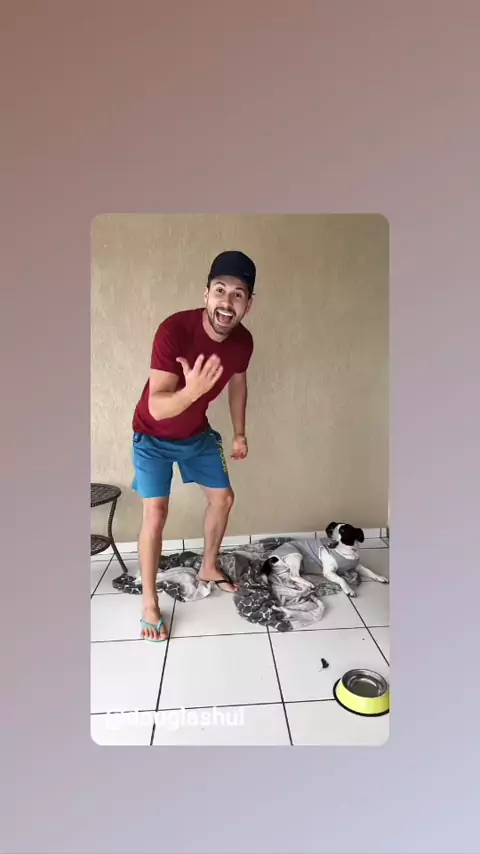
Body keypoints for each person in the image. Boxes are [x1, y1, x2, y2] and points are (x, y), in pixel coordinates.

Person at [131, 250, 256, 641]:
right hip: (151, 435)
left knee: (224, 498)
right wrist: (193, 391)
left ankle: (209, 566)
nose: (227, 302)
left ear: (248, 305)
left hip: (196, 435)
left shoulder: (243, 342)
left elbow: (238, 382)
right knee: (156, 514)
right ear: (206, 294)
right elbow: (156, 405)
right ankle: (149, 603)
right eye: (220, 290)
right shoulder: (174, 330)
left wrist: (239, 432)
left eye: (238, 294)